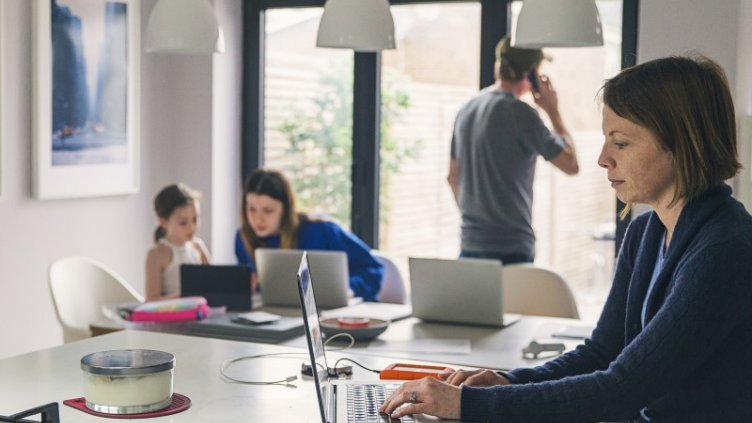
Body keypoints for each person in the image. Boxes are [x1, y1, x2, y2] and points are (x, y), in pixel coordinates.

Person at [381, 55, 752, 422]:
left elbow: (622, 389)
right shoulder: (645, 233)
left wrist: (468, 405)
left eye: (620, 143)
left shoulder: (725, 249)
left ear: (681, 143)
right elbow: (602, 352)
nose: (603, 158)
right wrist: (507, 381)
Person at [447, 36, 579, 265]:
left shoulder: (466, 109)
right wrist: (553, 111)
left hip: (469, 246)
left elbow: (452, 177)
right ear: (531, 73)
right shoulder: (521, 113)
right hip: (512, 250)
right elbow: (570, 164)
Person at [235, 168, 384, 301]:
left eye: (268, 211)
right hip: (280, 316)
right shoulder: (243, 238)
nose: (258, 219)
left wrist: (348, 289)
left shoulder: (322, 230)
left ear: (286, 210)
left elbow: (374, 270)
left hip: (339, 316)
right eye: (252, 209)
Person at [145, 183, 211, 301]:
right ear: (163, 222)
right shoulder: (157, 254)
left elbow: (214, 282)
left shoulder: (198, 246)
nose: (192, 227)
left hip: (199, 314)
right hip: (172, 316)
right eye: (183, 223)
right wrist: (185, 298)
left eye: (195, 219)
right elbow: (151, 299)